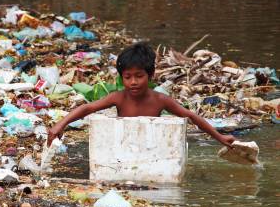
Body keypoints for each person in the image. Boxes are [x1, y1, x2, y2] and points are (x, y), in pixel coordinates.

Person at [47, 42, 236, 147]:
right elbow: (87, 108)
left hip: (152, 147)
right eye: (127, 77)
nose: (133, 82)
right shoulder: (118, 97)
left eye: (139, 76)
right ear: (121, 78)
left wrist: (220, 137)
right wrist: (60, 124)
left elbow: (192, 116)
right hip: (124, 146)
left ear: (151, 75)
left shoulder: (160, 100)